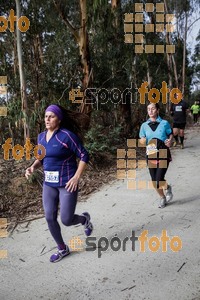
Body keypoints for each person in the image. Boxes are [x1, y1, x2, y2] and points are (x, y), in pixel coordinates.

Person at [25, 104, 93, 263]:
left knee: (66, 220)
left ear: (59, 119)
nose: (47, 119)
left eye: (52, 116)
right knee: (49, 217)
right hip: (49, 184)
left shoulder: (67, 136)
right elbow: (41, 157)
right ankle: (62, 248)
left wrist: (76, 177)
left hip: (67, 183)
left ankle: (84, 220)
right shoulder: (41, 136)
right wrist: (32, 167)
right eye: (46, 116)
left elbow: (84, 155)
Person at [139, 103, 173, 209]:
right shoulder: (144, 125)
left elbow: (170, 134)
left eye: (153, 108)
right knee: (155, 181)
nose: (150, 111)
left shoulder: (164, 123)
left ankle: (166, 189)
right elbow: (142, 139)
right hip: (151, 153)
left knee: (159, 179)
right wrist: (142, 141)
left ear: (157, 110)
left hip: (163, 152)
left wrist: (170, 140)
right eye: (148, 109)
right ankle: (163, 196)